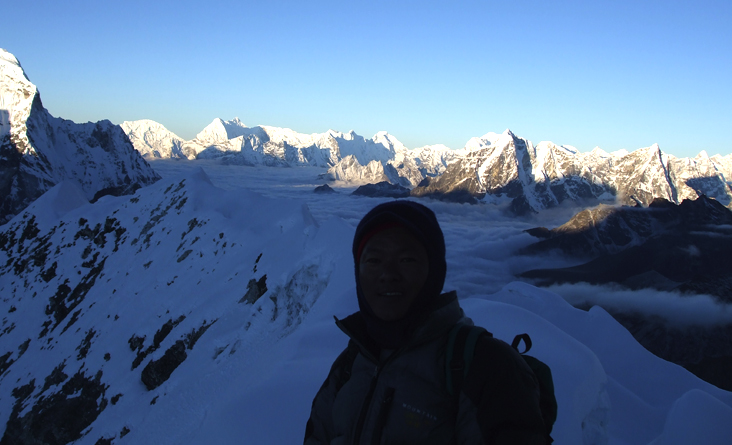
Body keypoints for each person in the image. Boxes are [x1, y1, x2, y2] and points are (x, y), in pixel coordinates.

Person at [305, 200, 546, 444]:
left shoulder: (487, 367)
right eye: (373, 261)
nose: (388, 274)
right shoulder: (350, 364)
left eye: (407, 259)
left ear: (434, 271)